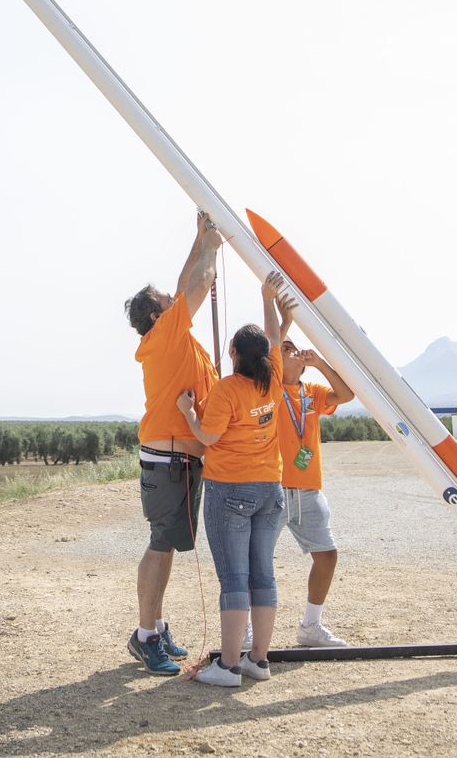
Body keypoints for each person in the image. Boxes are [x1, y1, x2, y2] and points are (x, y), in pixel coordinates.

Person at [175, 270, 293, 687]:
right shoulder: (274, 379)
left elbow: (208, 436)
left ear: (233, 352)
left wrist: (189, 411)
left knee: (234, 578)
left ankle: (226, 666)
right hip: (270, 490)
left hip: (231, 492)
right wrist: (268, 299)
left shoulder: (227, 390)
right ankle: (257, 660)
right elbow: (276, 340)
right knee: (263, 573)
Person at [123, 210, 222, 675]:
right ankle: (145, 637)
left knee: (167, 543)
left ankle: (156, 626)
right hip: (167, 459)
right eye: (166, 297)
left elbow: (187, 283)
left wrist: (199, 238)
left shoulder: (175, 335)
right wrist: (212, 249)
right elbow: (196, 286)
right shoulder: (166, 335)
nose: (174, 296)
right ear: (155, 313)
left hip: (179, 459)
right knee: (160, 544)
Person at [275, 339, 355, 647]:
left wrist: (320, 364)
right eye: (285, 348)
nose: (294, 350)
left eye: (294, 346)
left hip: (309, 490)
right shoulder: (267, 391)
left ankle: (310, 626)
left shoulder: (312, 392)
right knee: (257, 561)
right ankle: (246, 634)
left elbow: (346, 394)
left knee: (327, 557)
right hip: (274, 489)